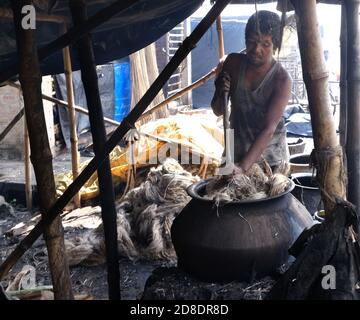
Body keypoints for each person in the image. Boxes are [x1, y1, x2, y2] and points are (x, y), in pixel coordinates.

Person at [211, 10, 291, 175]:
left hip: (269, 159)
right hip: (235, 149)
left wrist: (242, 168)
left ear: (275, 45)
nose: (256, 49)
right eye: (252, 42)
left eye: (265, 44)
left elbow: (268, 129)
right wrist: (220, 89)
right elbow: (218, 110)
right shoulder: (232, 63)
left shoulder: (281, 79)